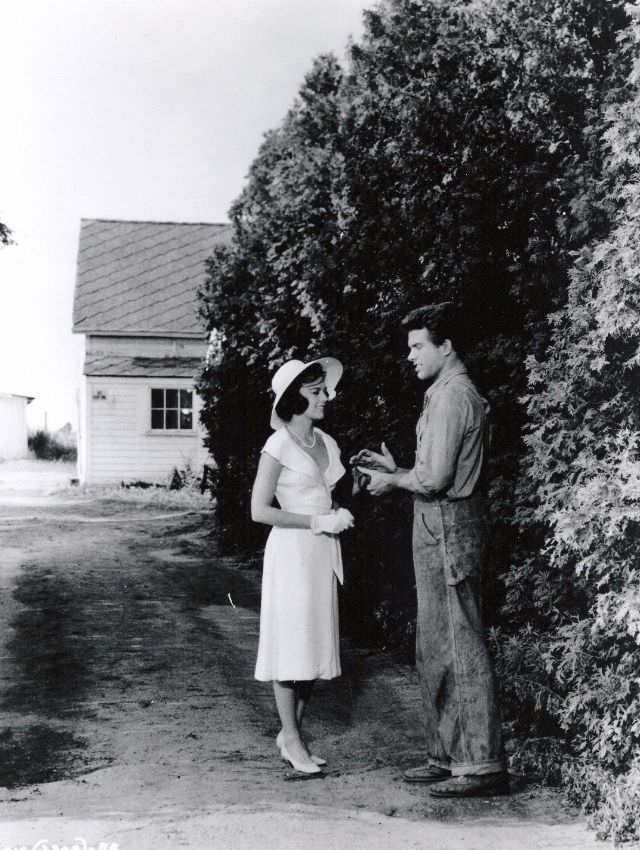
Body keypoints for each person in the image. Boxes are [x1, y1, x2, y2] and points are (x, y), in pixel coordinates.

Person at [352, 302, 508, 797]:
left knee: (460, 643)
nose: (411, 356)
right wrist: (398, 469)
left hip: (449, 525)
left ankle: (481, 763)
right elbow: (430, 469)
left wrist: (390, 479)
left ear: (446, 346)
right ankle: (446, 755)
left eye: (419, 346)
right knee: (437, 644)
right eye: (409, 347)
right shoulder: (441, 395)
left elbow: (438, 478)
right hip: (435, 523)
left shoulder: (452, 397)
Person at [251, 357, 354, 776]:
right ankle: (291, 739)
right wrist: (315, 521)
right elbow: (258, 510)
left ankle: (292, 732)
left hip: (321, 552)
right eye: (315, 392)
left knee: (312, 646)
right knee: (290, 645)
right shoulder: (278, 446)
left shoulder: (327, 443)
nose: (325, 397)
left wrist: (337, 512)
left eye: (324, 390)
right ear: (295, 398)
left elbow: (327, 494)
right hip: (292, 551)